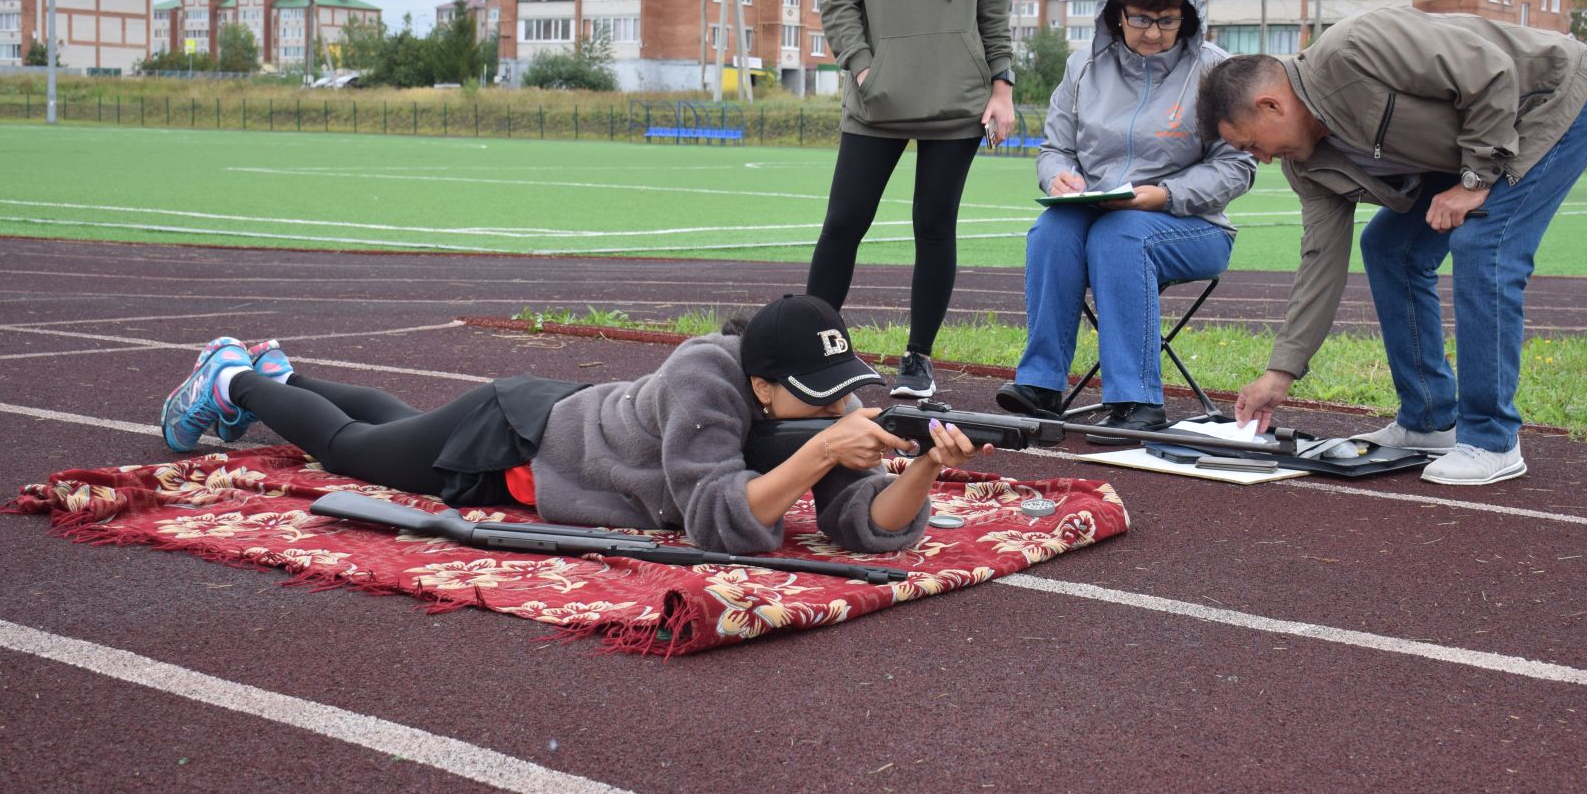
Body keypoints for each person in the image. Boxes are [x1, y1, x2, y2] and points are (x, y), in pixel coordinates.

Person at [158, 294, 989, 556]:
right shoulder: (707, 373)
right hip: (517, 441)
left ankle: (278, 371)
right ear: (763, 385)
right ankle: (234, 374)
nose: (839, 407)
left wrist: (920, 471)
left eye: (843, 392)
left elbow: (858, 529)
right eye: (818, 396)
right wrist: (819, 453)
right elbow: (719, 524)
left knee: (396, 424)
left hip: (565, 418)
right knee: (353, 451)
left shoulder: (821, 408)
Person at [1199, 6, 1587, 486]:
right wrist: (1281, 372)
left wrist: (1477, 177)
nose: (1264, 159)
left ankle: (1492, 440)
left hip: (1556, 97)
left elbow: (1490, 74)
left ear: (1272, 105)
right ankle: (1429, 421)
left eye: (1253, 145)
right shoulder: (1307, 166)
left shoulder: (1358, 46)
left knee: (1483, 242)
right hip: (1472, 142)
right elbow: (1320, 262)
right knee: (1388, 249)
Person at [994, 0, 1255, 434]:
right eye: (1140, 18)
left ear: (1189, 17)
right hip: (1095, 215)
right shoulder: (1081, 66)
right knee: (1051, 229)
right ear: (1116, 13)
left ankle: (1137, 400)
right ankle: (1041, 384)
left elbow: (1236, 167)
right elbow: (1055, 149)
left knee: (1121, 236)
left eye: (1167, 20)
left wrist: (1166, 195)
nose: (1153, 33)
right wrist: (1060, 177)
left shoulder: (1214, 71)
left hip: (1193, 226)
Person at [807, 0, 1015, 400]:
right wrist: (865, 64)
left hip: (957, 99)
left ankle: (917, 361)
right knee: (844, 221)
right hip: (879, 99)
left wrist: (1001, 87)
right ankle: (814, 353)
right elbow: (837, 0)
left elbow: (994, 3)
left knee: (935, 226)